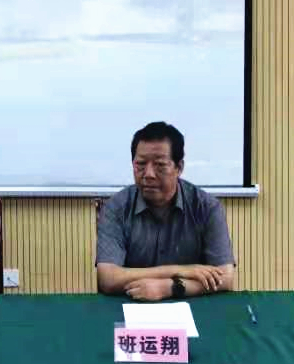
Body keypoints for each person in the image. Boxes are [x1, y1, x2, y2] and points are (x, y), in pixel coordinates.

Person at [96, 122, 236, 301]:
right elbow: (108, 278)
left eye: (160, 165)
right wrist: (181, 271)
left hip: (193, 306)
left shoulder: (206, 207)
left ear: (179, 167)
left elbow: (225, 277)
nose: (148, 174)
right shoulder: (116, 208)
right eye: (140, 164)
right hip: (131, 304)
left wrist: (171, 287)